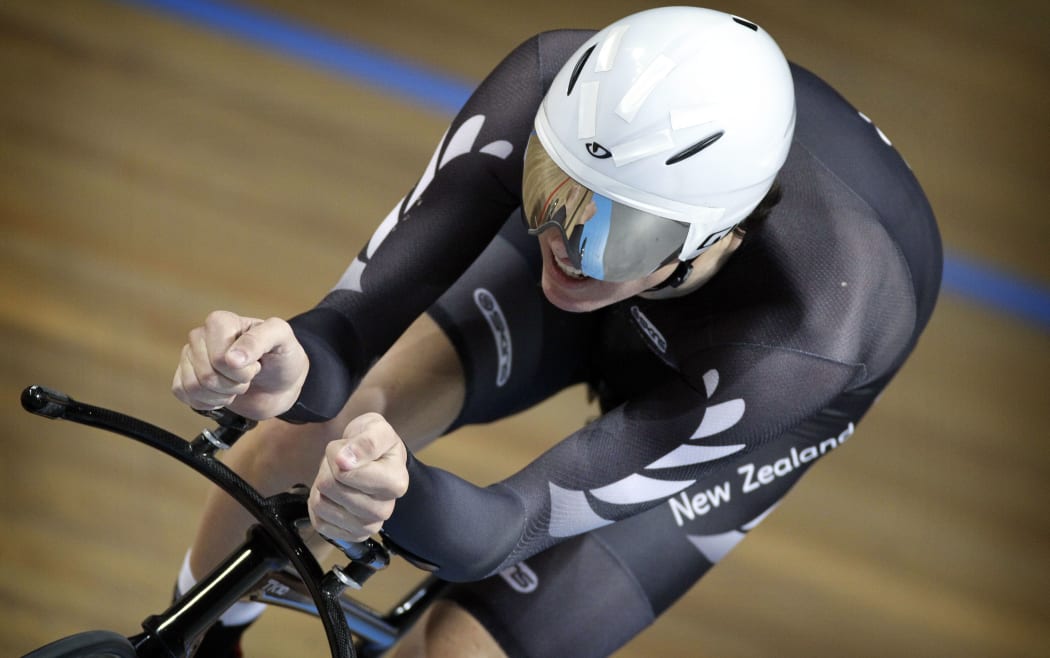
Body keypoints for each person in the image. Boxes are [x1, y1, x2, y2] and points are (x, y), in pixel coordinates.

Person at [171, 7, 942, 657]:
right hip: (640, 278)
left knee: (463, 649)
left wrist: (396, 494)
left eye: (620, 234)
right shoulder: (547, 83)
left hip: (746, 372)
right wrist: (291, 365)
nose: (568, 248)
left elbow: (501, 529)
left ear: (721, 235)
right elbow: (339, 338)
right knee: (296, 438)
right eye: (547, 187)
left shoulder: (813, 336)